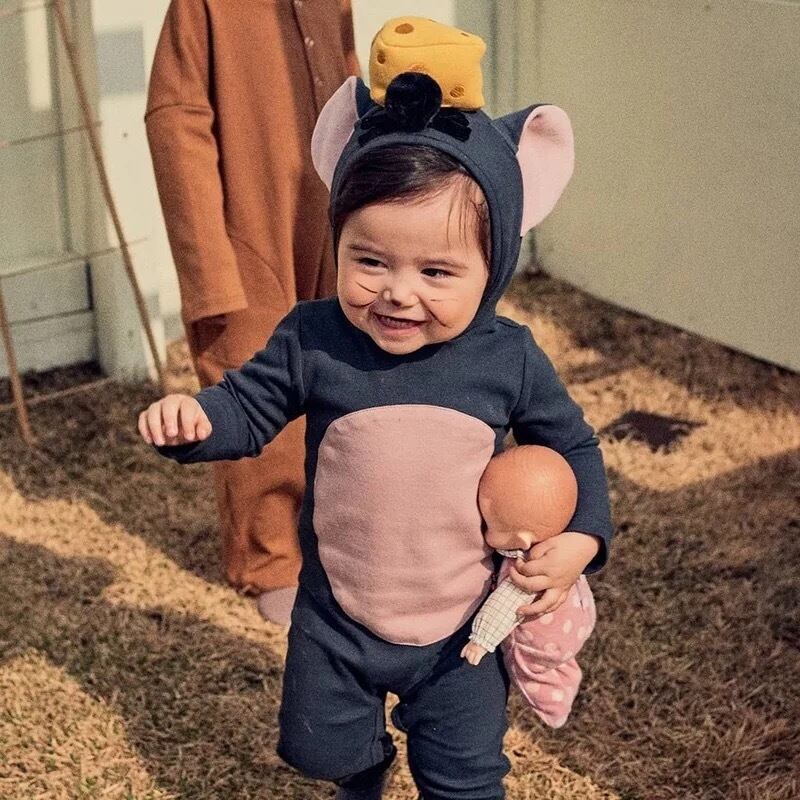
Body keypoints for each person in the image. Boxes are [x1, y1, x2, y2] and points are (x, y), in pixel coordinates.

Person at [138, 18, 614, 799]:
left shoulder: (507, 358)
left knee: (465, 779)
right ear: (340, 240)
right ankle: (361, 771)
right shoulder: (315, 337)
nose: (398, 292)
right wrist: (197, 422)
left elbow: (576, 448)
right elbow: (250, 407)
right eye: (369, 260)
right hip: (337, 618)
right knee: (321, 749)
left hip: (460, 630)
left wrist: (583, 538)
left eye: (437, 272)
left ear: (493, 267)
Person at [144, 0, 359, 625]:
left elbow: (351, 93)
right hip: (243, 229)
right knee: (252, 374)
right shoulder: (205, 5)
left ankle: (325, 535)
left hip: (330, 213)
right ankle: (270, 558)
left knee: (335, 370)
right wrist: (206, 261)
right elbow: (174, 121)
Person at [461, 445, 598, 730]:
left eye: (489, 523)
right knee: (561, 665)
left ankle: (555, 709)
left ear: (520, 539)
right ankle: (565, 675)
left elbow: (504, 606)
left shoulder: (527, 566)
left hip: (539, 642)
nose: (484, 526)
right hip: (576, 621)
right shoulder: (557, 547)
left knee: (534, 675)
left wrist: (481, 641)